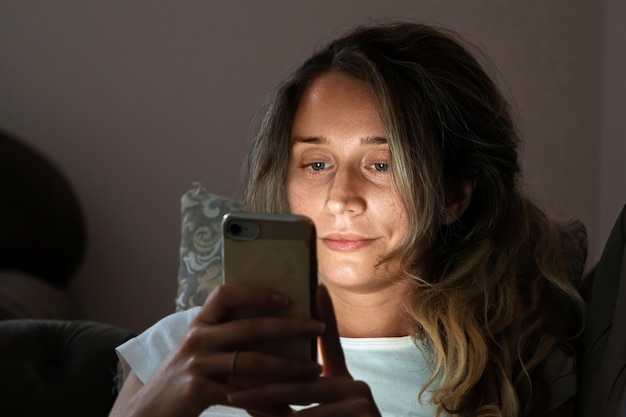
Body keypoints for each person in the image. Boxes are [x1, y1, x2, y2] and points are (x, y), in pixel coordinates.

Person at [109, 21, 585, 417]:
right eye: (317, 164)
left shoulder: (524, 372)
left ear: (454, 195)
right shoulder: (178, 350)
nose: (342, 199)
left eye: (382, 165)